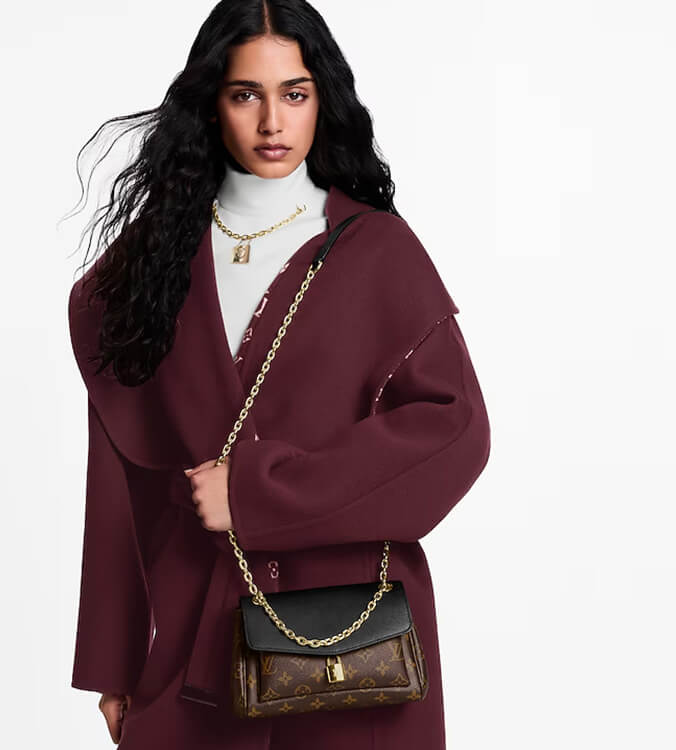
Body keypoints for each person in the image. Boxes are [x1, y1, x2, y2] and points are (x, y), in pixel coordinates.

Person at [67, 1, 491, 748]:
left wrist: (257, 492)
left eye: (294, 94)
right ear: (211, 104)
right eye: (246, 95)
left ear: (322, 101)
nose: (272, 122)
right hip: (196, 645)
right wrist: (114, 662)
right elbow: (119, 481)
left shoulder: (378, 250)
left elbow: (453, 434)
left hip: (358, 650)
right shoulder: (143, 269)